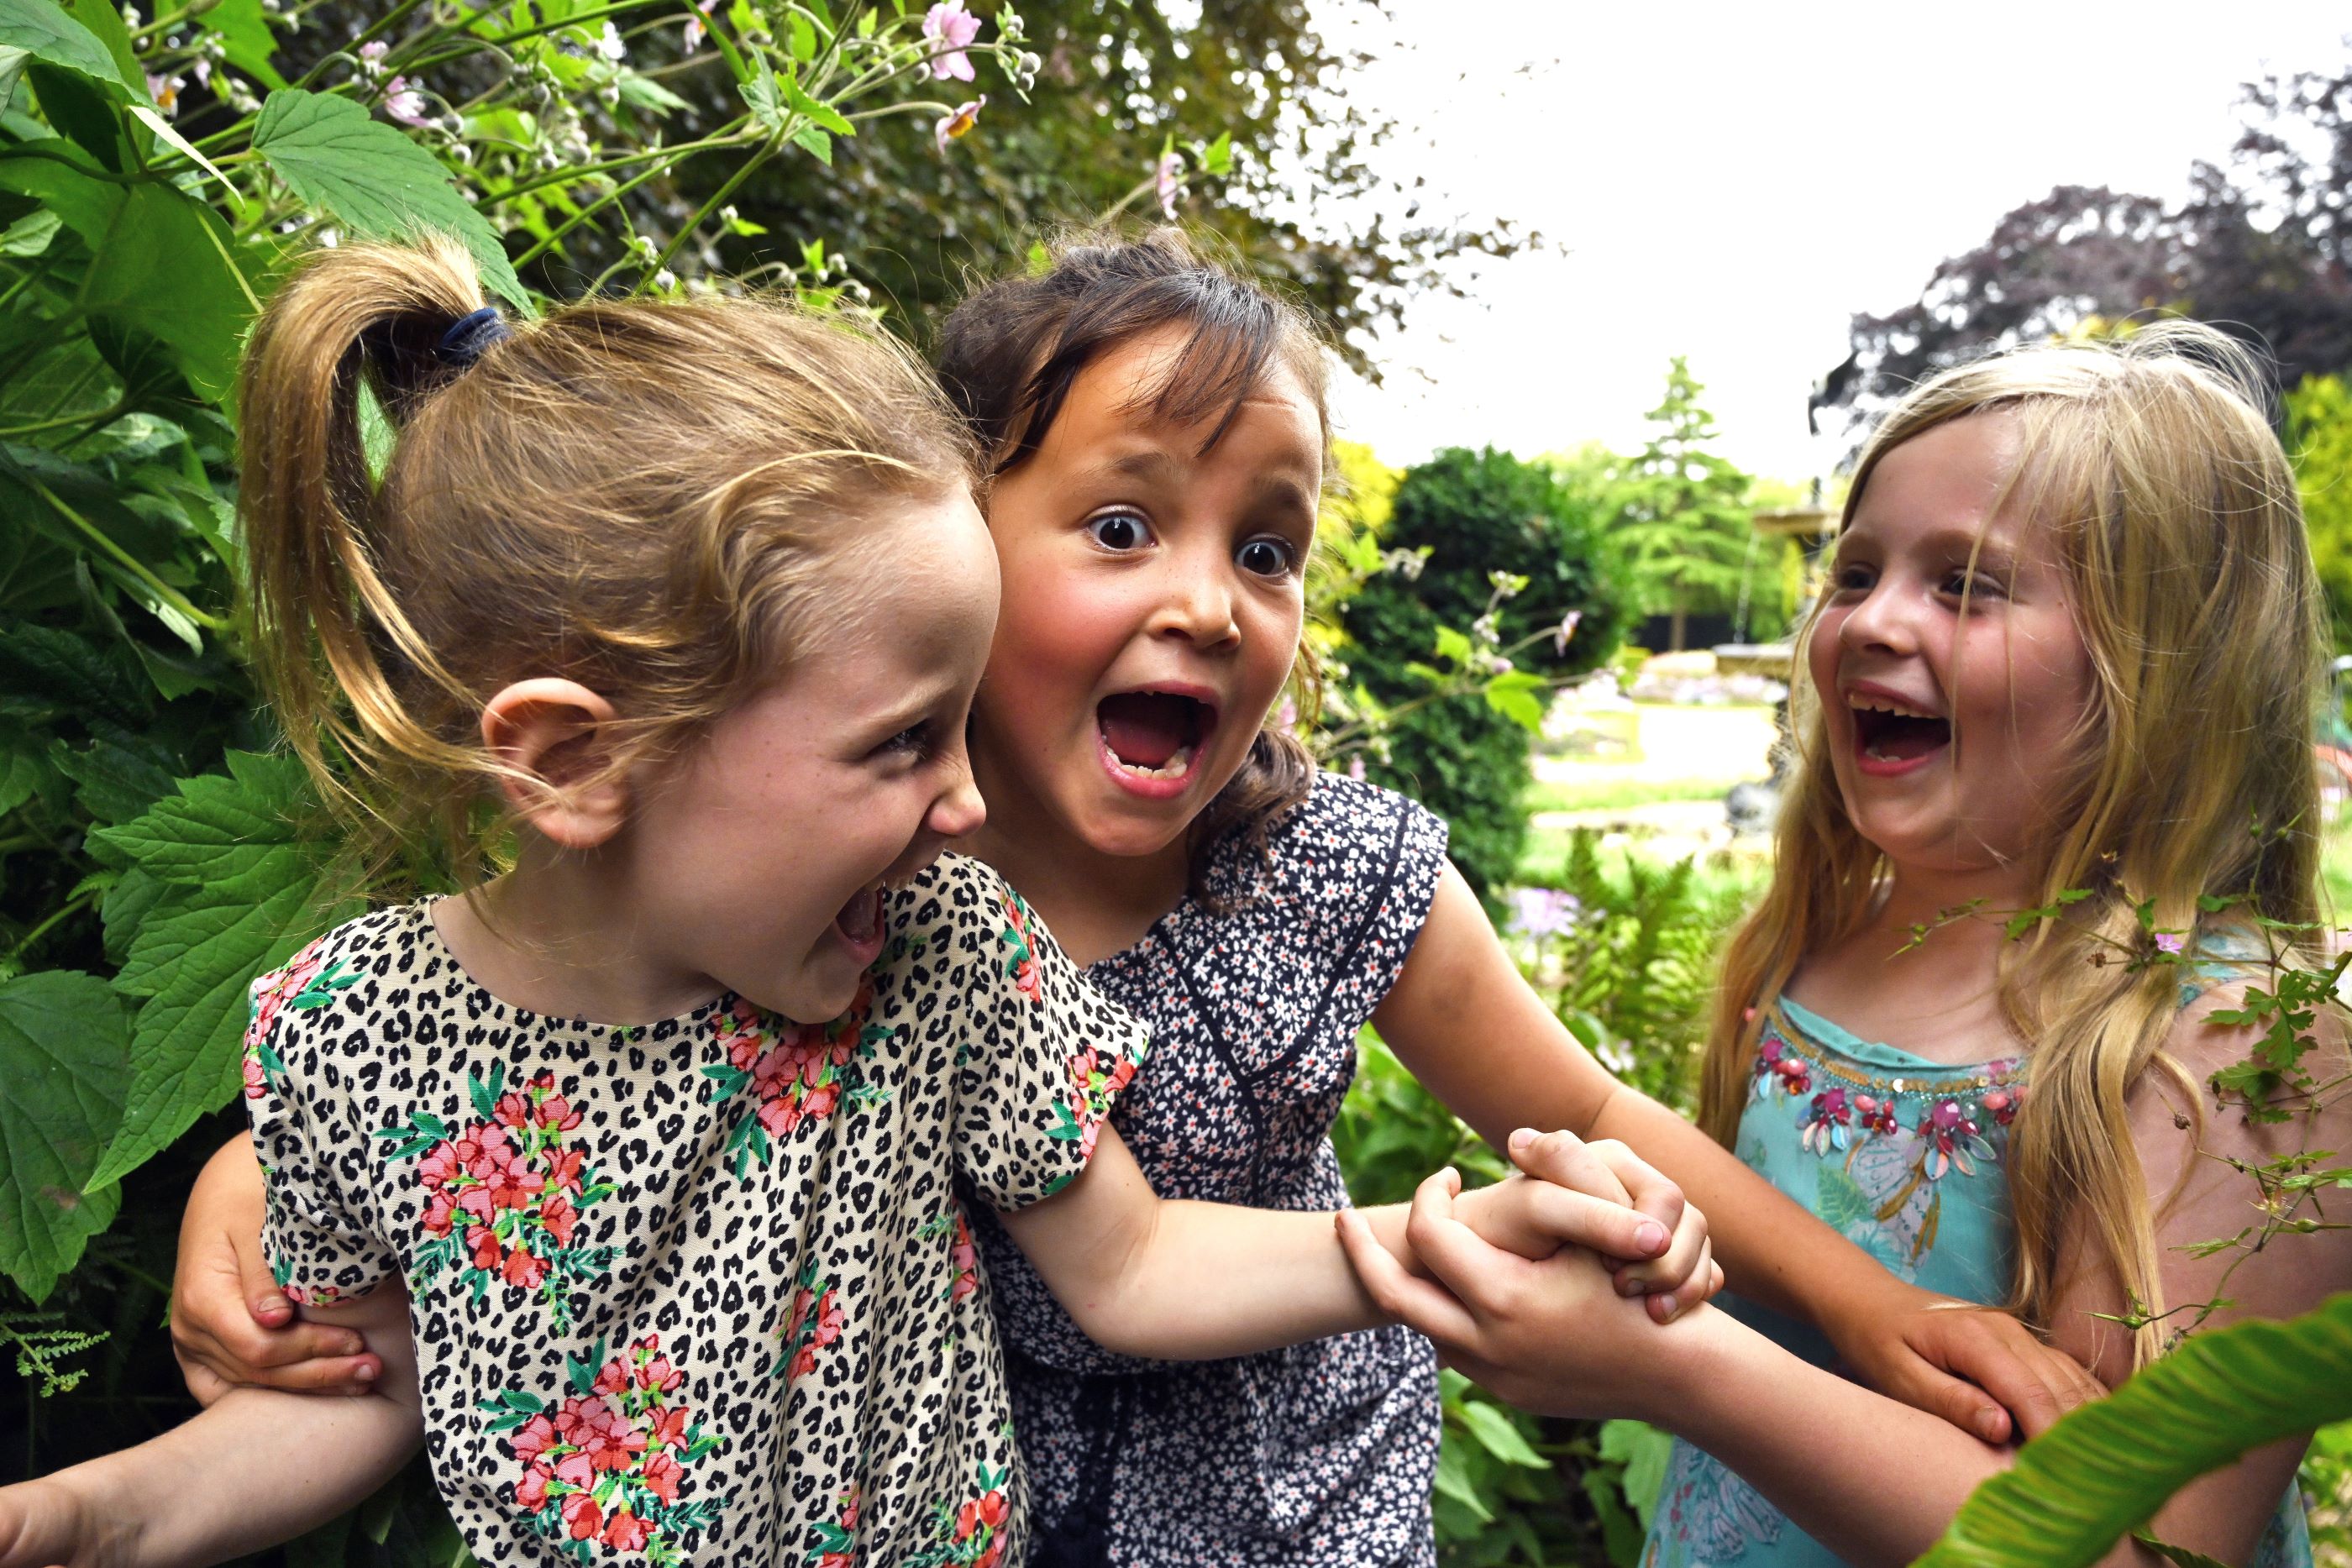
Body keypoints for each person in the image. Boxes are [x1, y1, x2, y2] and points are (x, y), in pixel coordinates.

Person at [171, 230, 2085, 1566]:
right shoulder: (840, 881)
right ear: (936, 548)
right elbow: (551, 1040)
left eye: (1268, 546)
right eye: (1119, 522)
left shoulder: (1309, 875)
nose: (1207, 592)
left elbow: (1580, 1108)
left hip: (1280, 1517)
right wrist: (250, 1181)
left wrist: (1856, 1302)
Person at [1340, 321, 2352, 1567]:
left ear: (2166, 664)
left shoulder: (2233, 1045)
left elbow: (2134, 1551)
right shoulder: (1853, 930)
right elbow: (1587, 1104)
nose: (1872, 621)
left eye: (1965, 584)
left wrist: (1678, 1370)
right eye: (1857, 573)